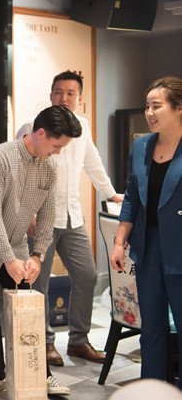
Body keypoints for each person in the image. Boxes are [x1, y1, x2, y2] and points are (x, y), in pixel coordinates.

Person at [0, 105, 82, 399]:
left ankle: (41, 374)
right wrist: (8, 259)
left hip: (18, 245)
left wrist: (37, 255)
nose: (57, 152)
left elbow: (48, 213)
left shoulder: (49, 167)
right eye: (56, 146)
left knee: (27, 312)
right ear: (41, 133)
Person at [17, 70, 123, 366]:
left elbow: (93, 163)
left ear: (79, 98)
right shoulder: (33, 126)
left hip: (72, 216)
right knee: (39, 283)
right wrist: (27, 212)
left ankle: (78, 340)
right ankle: (45, 341)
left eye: (71, 93)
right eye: (58, 92)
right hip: (40, 220)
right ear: (50, 95)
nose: (64, 98)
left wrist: (111, 193)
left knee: (87, 275)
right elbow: (19, 171)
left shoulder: (82, 127)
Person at [110, 76, 182, 385]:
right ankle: (152, 389)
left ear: (178, 108)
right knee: (151, 328)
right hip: (148, 247)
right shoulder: (141, 146)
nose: (149, 113)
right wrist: (119, 241)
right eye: (147, 106)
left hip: (180, 246)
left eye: (157, 106)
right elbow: (132, 197)